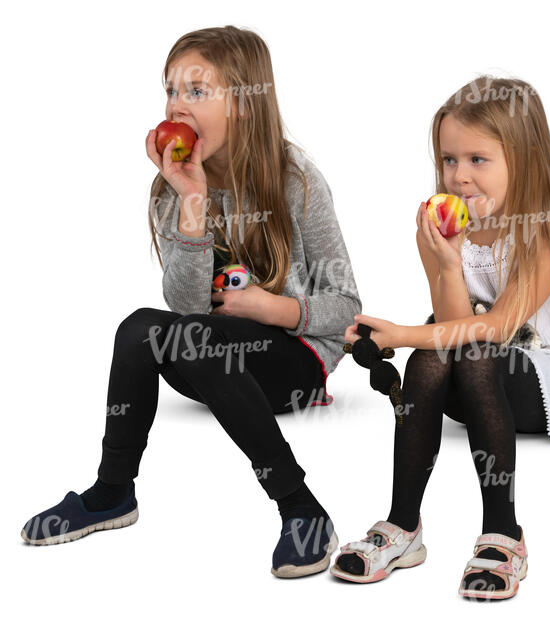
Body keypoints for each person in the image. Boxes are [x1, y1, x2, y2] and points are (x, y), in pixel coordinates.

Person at [20, 25, 362, 579]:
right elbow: (184, 306)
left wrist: (270, 309)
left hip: (295, 361)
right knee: (138, 327)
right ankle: (112, 492)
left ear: (246, 104)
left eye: (197, 91)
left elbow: (346, 307)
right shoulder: (173, 186)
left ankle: (301, 507)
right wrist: (193, 200)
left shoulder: (296, 180)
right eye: (171, 91)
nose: (178, 105)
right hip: (212, 356)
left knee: (191, 337)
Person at [331, 75, 550, 599]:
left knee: (465, 351)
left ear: (523, 158)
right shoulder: (442, 223)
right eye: (449, 160)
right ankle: (403, 525)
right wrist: (446, 264)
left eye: (477, 160)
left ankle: (503, 531)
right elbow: (454, 323)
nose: (459, 176)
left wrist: (402, 333)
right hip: (478, 378)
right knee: (435, 357)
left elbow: (500, 326)